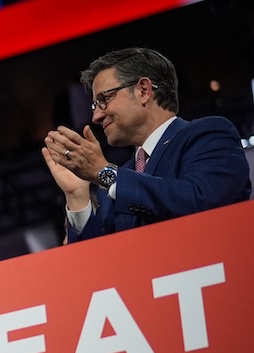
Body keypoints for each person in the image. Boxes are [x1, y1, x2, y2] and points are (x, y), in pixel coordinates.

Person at [42, 48, 251, 242]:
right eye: (94, 105)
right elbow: (97, 264)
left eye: (104, 99)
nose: (96, 116)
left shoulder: (208, 135)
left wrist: (105, 173)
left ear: (143, 90)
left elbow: (202, 203)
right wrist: (77, 196)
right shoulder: (114, 184)